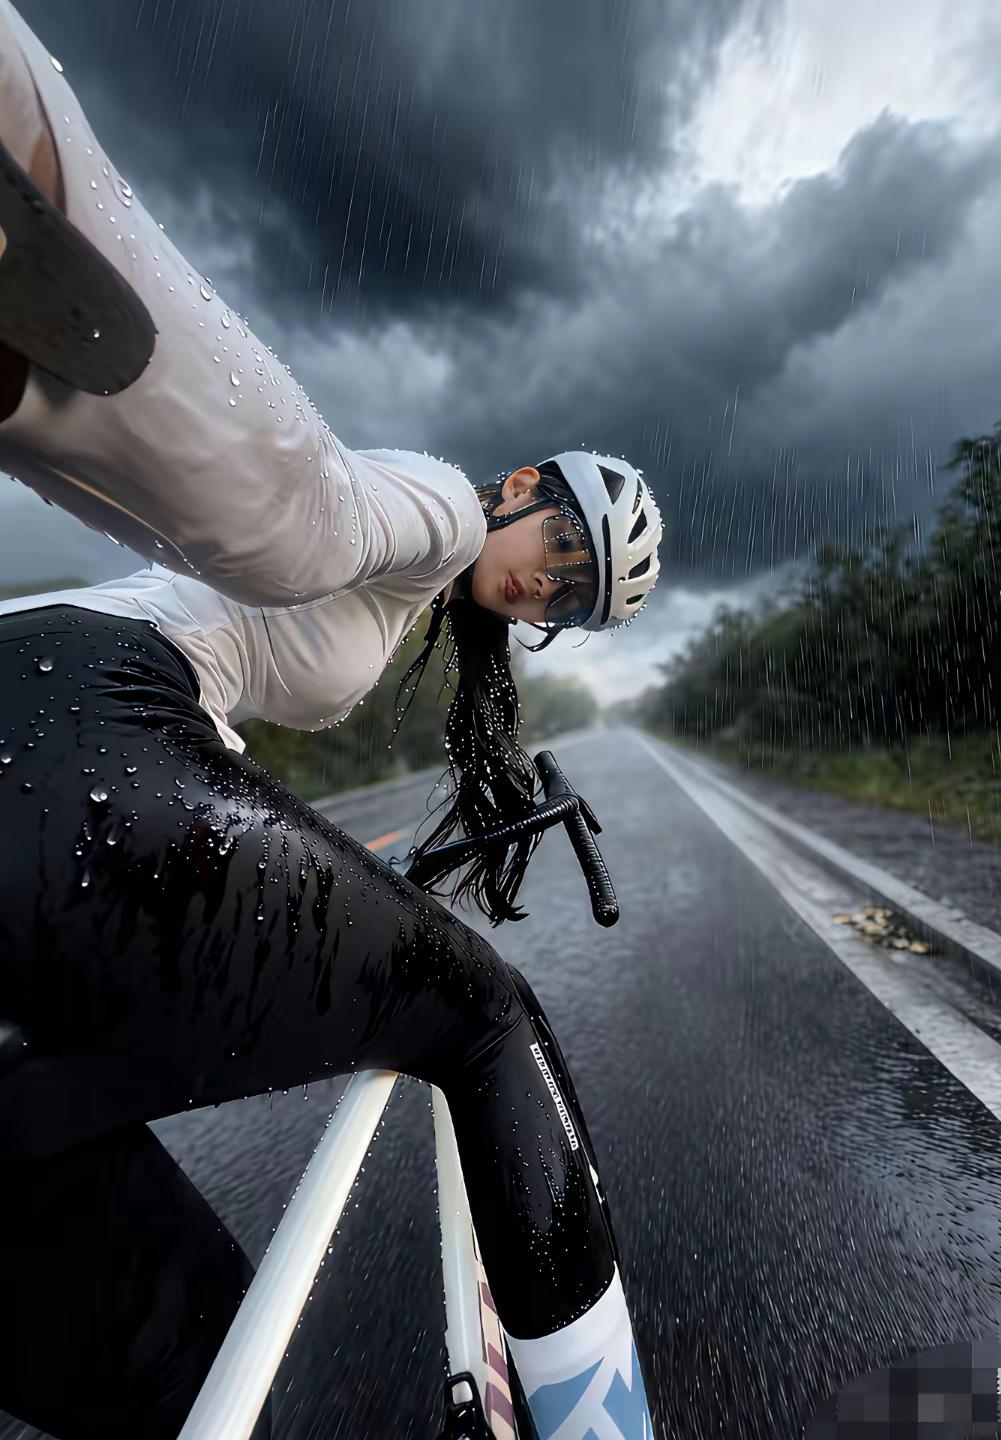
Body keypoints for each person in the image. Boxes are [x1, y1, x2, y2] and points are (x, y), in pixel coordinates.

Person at [0, 3, 663, 1437]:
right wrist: (56, 312)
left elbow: (240, 653)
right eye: (558, 544)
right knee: (486, 1018)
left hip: (65, 726)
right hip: (68, 721)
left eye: (568, 597)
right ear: (521, 484)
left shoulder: (419, 604)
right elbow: (298, 524)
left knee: (200, 1375)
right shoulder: (427, 506)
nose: (541, 581)